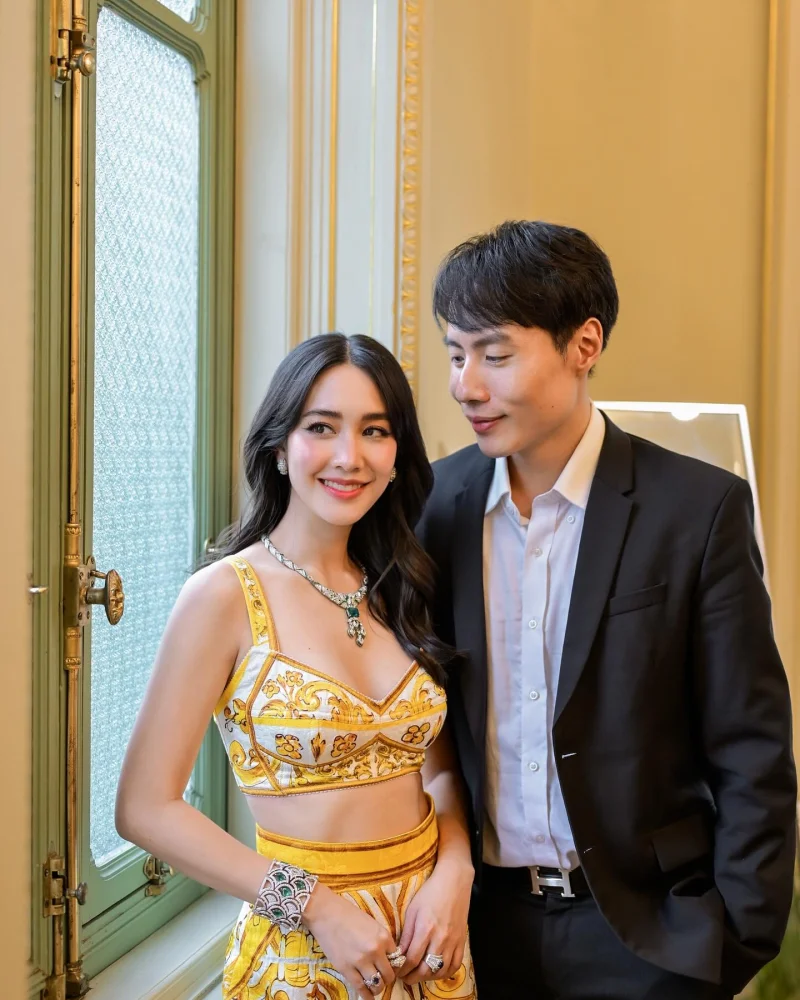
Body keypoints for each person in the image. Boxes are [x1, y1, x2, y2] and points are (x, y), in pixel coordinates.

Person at [417, 220, 797, 999]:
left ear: (583, 345)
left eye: (495, 355)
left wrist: (733, 939)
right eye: (455, 355)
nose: (466, 386)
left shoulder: (698, 511)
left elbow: (751, 748)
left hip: (650, 941)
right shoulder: (433, 505)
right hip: (476, 936)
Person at [116, 333, 477, 1000]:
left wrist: (456, 871)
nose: (349, 456)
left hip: (432, 946)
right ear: (280, 448)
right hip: (304, 955)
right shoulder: (224, 596)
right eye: (321, 427)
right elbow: (144, 808)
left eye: (374, 431)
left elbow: (442, 771)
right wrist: (317, 906)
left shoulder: (403, 585)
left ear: (397, 455)